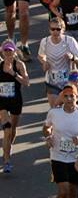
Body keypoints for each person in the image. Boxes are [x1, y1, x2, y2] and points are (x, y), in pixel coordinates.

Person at [44, 82, 78, 198]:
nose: (69, 99)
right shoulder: (54, 113)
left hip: (76, 158)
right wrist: (48, 137)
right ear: (61, 98)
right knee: (63, 192)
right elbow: (46, 128)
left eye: (72, 96)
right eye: (65, 96)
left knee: (73, 192)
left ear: (77, 97)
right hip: (58, 156)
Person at [0, 38, 27, 172]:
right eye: (6, 51)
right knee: (7, 128)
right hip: (2, 102)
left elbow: (26, 82)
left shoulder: (19, 65)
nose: (8, 53)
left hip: (16, 100)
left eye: (10, 51)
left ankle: (7, 150)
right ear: (2, 52)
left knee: (13, 130)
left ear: (14, 52)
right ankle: (6, 160)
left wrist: (13, 73)